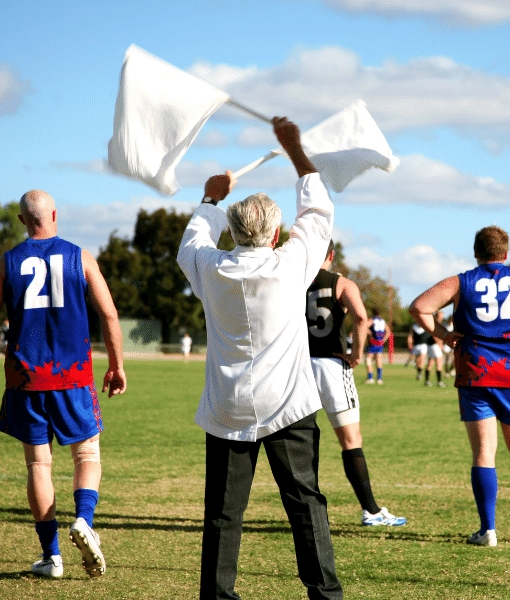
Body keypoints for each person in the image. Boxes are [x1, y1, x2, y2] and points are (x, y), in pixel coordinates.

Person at [177, 117, 342, 600]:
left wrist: (211, 197)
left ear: (232, 231)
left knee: (223, 514)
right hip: (287, 405)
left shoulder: (210, 268)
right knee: (305, 504)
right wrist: (293, 147)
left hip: (227, 407)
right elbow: (317, 210)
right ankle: (325, 595)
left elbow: (192, 241)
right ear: (274, 235)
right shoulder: (290, 264)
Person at [0, 189, 126, 579]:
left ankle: (52, 557)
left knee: (38, 463)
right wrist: (116, 365)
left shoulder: (7, 262)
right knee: (87, 456)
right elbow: (110, 315)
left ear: (22, 220)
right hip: (73, 378)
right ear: (54, 214)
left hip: (25, 379)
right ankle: (84, 520)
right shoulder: (80, 257)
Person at [410, 226, 510, 547]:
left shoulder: (462, 281)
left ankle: (488, 531)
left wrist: (444, 336)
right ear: (506, 253)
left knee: (485, 451)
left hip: (476, 371)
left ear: (476, 252)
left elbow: (420, 307)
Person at [306, 241, 407, 527]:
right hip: (331, 365)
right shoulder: (342, 283)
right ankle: (371, 511)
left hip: (299, 367)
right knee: (351, 440)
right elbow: (361, 317)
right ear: (332, 255)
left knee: (303, 439)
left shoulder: (294, 280)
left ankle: (308, 511)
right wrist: (356, 354)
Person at [364, 309, 387, 385]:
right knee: (378, 359)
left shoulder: (372, 320)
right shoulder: (383, 321)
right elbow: (388, 331)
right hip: (380, 343)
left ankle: (370, 378)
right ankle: (379, 379)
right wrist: (384, 339)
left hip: (373, 342)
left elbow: (364, 325)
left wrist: (369, 333)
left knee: (368, 359)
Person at [423, 311, 445, 388]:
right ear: (437, 316)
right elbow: (435, 336)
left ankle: (427, 381)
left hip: (430, 345)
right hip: (435, 345)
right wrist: (440, 344)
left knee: (430, 363)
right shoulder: (436, 324)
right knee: (439, 363)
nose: (442, 317)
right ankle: (439, 382)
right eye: (441, 315)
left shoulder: (432, 323)